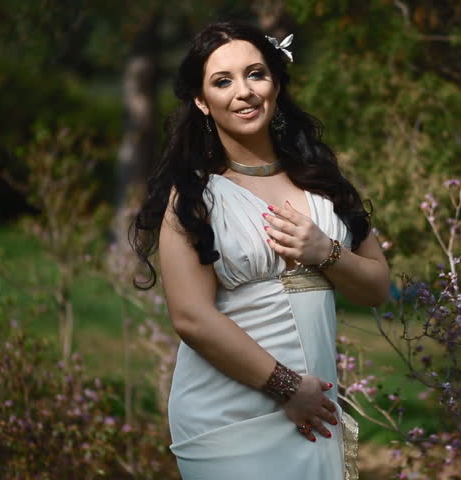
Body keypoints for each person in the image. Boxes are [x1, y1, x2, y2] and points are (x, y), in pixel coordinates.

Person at [130, 20, 390, 479]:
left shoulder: (324, 182)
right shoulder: (195, 197)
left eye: (256, 74)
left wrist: (326, 252)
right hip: (234, 413)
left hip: (315, 406)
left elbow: (376, 287)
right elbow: (190, 316)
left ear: (276, 82)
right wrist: (287, 388)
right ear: (201, 101)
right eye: (222, 81)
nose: (244, 91)